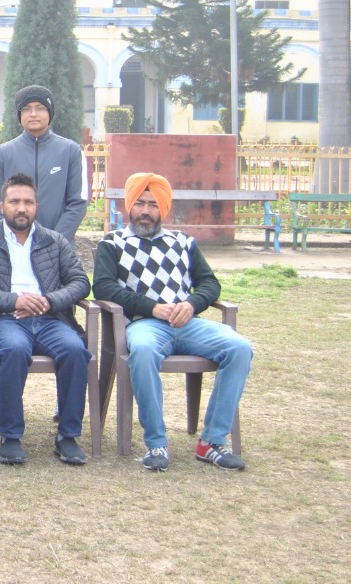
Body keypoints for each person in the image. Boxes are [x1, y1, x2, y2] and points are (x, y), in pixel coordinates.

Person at [92, 172, 253, 472]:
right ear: (129, 205)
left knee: (240, 348)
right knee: (142, 351)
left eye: (153, 204)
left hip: (187, 324)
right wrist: (152, 308)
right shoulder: (112, 243)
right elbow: (103, 288)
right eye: (140, 203)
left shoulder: (183, 242)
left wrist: (191, 304)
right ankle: (156, 443)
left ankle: (212, 442)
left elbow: (210, 283)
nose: (145, 211)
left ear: (163, 208)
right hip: (144, 325)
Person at [0, 172, 91, 466]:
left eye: (28, 202)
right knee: (14, 349)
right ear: (2, 206)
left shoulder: (55, 241)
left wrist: (49, 301)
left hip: (50, 319)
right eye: (14, 201)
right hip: (5, 319)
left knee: (75, 350)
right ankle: (11, 436)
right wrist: (14, 300)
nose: (21, 208)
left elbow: (80, 281)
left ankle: (68, 435)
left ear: (37, 206)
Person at [0, 85, 87, 243]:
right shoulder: (2, 154)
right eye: (26, 109)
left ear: (50, 112)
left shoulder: (71, 151)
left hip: (59, 248)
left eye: (40, 108)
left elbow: (77, 202)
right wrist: (14, 240)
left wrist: (54, 242)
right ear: (19, 114)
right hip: (13, 247)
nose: (33, 114)